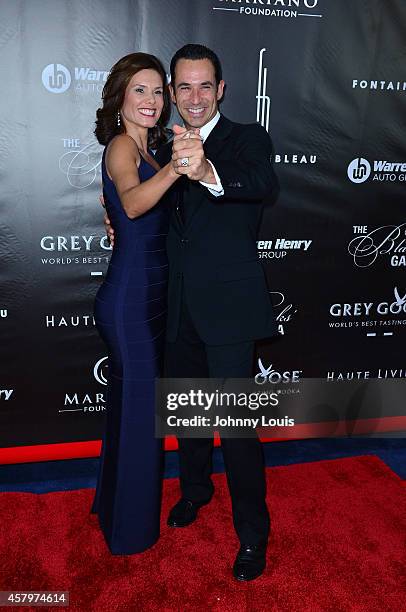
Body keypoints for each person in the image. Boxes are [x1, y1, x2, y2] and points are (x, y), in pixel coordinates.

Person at [106, 44, 278, 580]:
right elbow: (135, 203)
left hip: (229, 311)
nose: (194, 97)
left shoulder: (247, 138)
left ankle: (253, 535)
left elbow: (263, 185)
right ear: (174, 94)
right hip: (176, 312)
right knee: (190, 422)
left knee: (239, 431)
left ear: (221, 89)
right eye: (183, 87)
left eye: (205, 86)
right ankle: (196, 492)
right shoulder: (159, 146)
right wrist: (113, 221)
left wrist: (206, 170)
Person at [90, 52, 181, 555]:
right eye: (140, 91)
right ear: (121, 99)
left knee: (132, 411)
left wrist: (170, 165)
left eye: (157, 91)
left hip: (151, 300)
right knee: (143, 416)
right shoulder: (124, 145)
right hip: (128, 304)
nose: (151, 100)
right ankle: (130, 533)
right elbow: (129, 203)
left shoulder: (152, 150)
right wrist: (176, 170)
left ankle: (113, 511)